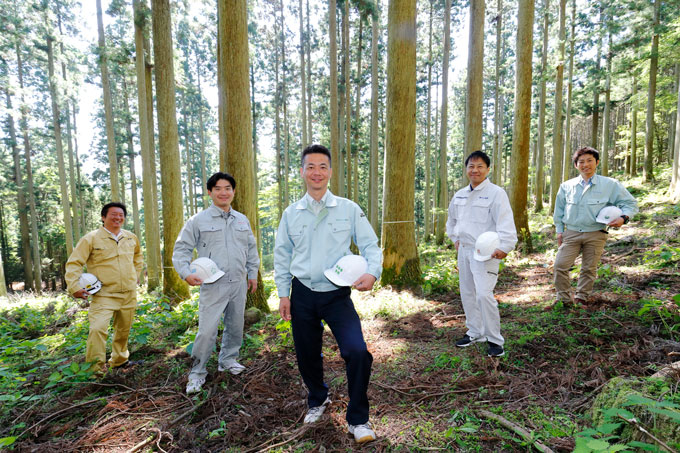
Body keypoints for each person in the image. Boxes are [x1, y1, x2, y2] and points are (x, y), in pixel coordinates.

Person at [274, 144, 382, 444]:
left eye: (322, 166)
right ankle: (317, 399)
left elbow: (371, 245)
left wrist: (373, 272)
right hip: (302, 294)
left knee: (357, 351)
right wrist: (284, 293)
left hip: (336, 294)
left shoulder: (348, 209)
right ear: (302, 172)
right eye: (311, 166)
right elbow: (282, 255)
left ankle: (358, 419)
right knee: (307, 352)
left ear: (330, 172)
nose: (317, 172)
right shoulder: (291, 213)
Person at [173, 172, 260, 394]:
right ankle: (197, 372)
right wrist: (185, 273)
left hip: (238, 283)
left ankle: (229, 360)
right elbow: (181, 249)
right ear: (210, 192)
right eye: (218, 188)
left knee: (235, 325)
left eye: (228, 188)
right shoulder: (198, 221)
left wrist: (252, 273)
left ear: (234, 191)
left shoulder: (241, 219)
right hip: (213, 284)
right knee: (207, 330)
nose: (224, 192)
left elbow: (250, 248)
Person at [446, 151, 517, 358]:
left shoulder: (496, 193)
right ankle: (475, 332)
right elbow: (451, 221)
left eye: (479, 166)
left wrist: (505, 247)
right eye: (471, 166)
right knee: (467, 292)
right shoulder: (459, 194)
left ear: (488, 169)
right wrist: (455, 239)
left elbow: (505, 221)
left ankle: (495, 340)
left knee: (484, 294)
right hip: (464, 249)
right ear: (466, 169)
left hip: (486, 253)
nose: (474, 170)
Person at [553, 146, 638, 306]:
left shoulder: (610, 184)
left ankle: (581, 298)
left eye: (590, 160)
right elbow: (559, 210)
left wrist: (623, 218)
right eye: (581, 162)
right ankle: (564, 301)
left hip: (596, 233)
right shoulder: (567, 186)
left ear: (597, 162)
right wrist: (559, 231)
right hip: (571, 233)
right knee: (560, 266)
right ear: (576, 165)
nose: (586, 165)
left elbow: (630, 203)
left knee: (588, 268)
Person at [65, 202, 143, 374]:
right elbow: (74, 263)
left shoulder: (130, 237)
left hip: (129, 293)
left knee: (123, 330)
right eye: (113, 214)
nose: (117, 217)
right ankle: (95, 370)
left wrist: (136, 274)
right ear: (103, 217)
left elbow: (138, 256)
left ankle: (120, 361)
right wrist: (74, 286)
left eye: (121, 215)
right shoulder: (91, 238)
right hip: (104, 294)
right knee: (97, 329)